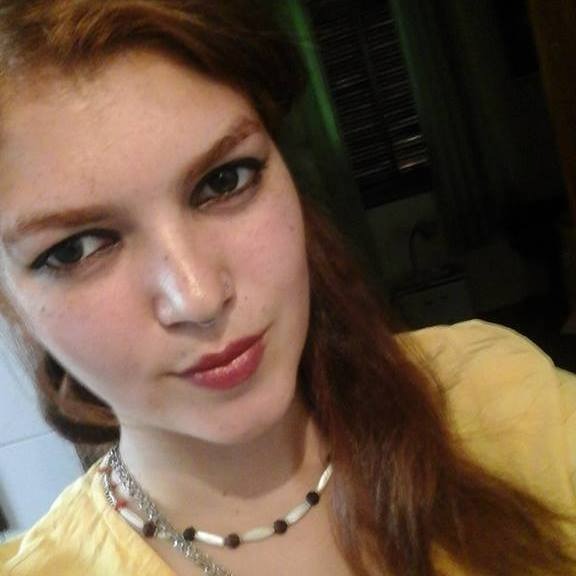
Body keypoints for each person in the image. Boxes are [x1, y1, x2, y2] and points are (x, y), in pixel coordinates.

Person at [0, 1, 574, 575]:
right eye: (74, 249)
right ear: (10, 302)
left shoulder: (496, 394)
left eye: (224, 181)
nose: (198, 298)